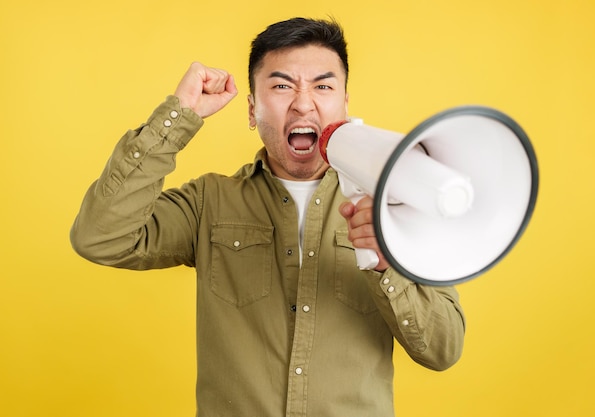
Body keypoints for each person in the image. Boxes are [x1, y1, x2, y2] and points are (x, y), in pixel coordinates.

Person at [70, 17, 465, 417]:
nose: (303, 103)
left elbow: (443, 350)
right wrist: (178, 116)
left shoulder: (399, 204)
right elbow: (100, 237)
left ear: (345, 105)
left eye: (323, 86)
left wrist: (386, 267)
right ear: (252, 109)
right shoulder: (209, 201)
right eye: (281, 86)